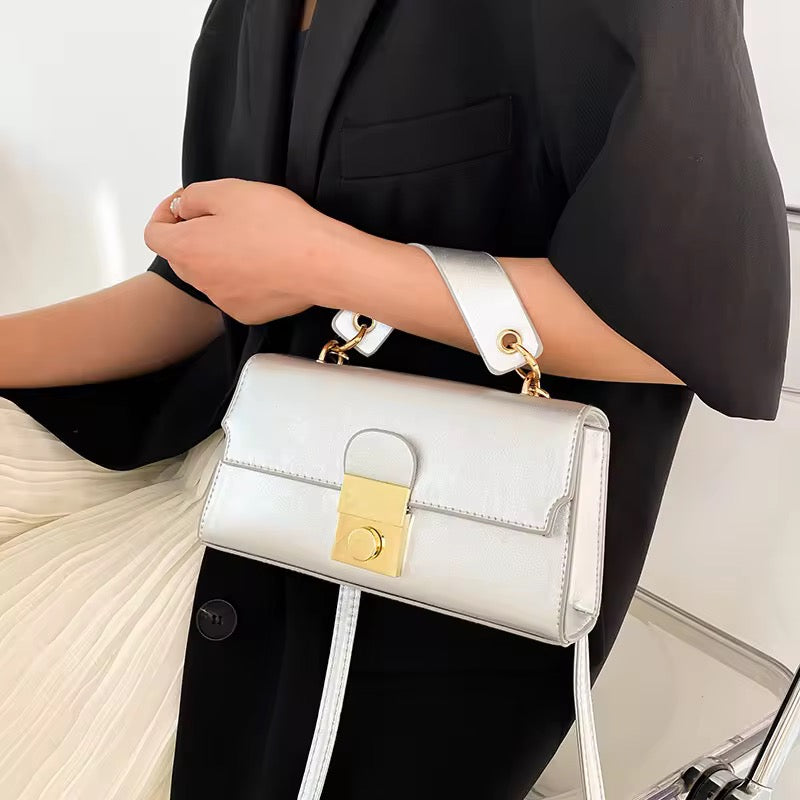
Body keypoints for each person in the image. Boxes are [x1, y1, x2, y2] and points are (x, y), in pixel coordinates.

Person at [0, 1, 791, 798]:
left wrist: (325, 263)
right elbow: (198, 295)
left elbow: (699, 323)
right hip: (240, 478)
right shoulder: (245, 15)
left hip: (424, 575)